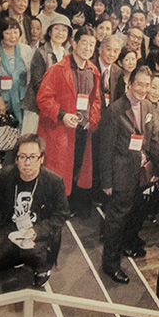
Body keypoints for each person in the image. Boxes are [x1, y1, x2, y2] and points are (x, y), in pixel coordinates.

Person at [98, 65, 159, 282]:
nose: (143, 89)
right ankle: (111, 264)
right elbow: (105, 150)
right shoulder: (114, 111)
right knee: (116, 220)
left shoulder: (148, 106)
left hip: (141, 173)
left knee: (132, 216)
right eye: (139, 84)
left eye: (147, 85)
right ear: (130, 84)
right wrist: (107, 181)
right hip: (121, 174)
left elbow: (152, 141)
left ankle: (125, 248)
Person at [0, 134, 68, 287]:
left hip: (38, 234)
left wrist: (36, 231)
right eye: (23, 157)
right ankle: (19, 255)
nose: (27, 162)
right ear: (16, 159)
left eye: (32, 157)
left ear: (41, 159)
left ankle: (42, 266)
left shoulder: (54, 182)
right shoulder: (6, 176)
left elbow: (61, 215)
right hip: (12, 230)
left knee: (36, 254)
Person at [36, 25, 102, 211]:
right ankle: (54, 207)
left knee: (78, 168)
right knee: (58, 170)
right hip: (60, 130)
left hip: (82, 129)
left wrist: (92, 120)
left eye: (92, 44)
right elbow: (43, 98)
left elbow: (96, 100)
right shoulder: (58, 70)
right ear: (74, 43)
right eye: (84, 43)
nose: (88, 48)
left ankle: (70, 206)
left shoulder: (93, 71)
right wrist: (62, 115)